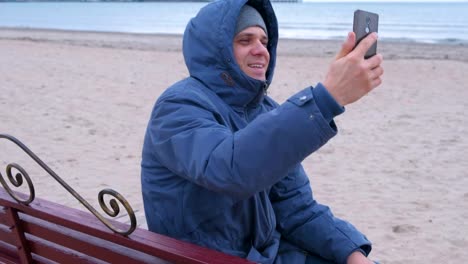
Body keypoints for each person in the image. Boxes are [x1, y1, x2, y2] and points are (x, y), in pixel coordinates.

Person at [141, 0, 383, 263]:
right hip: (204, 257)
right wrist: (326, 99)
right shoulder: (178, 106)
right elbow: (230, 170)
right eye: (245, 40)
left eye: (264, 41)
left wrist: (353, 254)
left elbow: (297, 208)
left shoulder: (265, 109)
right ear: (217, 50)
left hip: (264, 253)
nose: (261, 51)